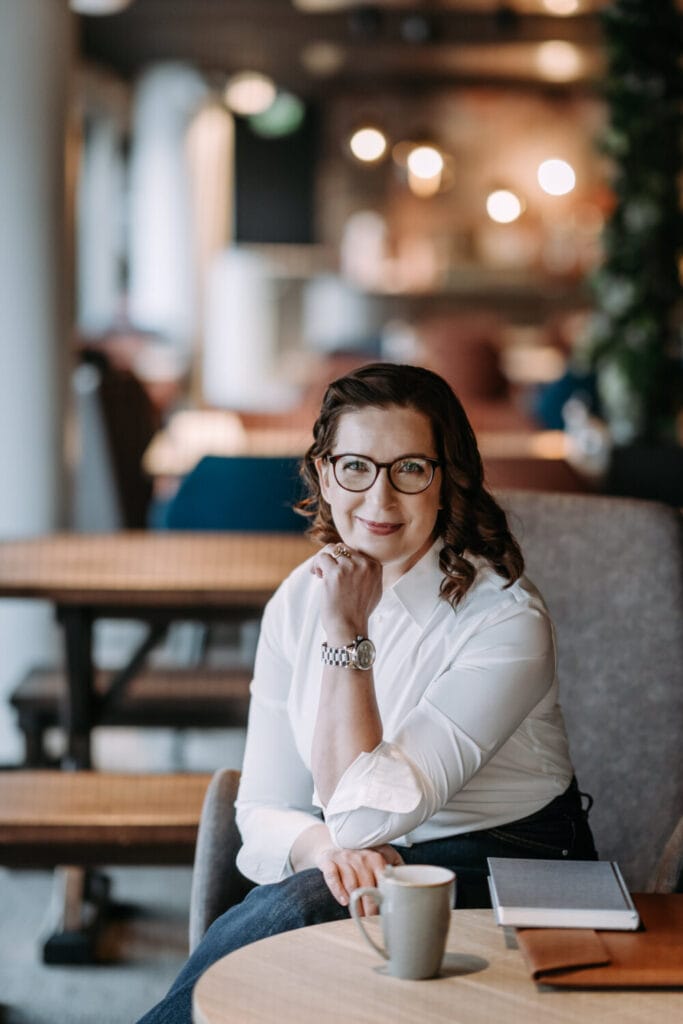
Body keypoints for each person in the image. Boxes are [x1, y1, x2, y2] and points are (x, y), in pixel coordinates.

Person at [138, 362, 596, 1023]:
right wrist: (326, 853)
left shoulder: (504, 620)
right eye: (356, 467)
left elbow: (359, 814)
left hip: (510, 864)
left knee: (296, 913)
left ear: (447, 480)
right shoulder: (298, 598)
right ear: (325, 473)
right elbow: (265, 808)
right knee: (300, 910)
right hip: (356, 857)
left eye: (409, 469)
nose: (379, 501)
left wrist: (345, 630)